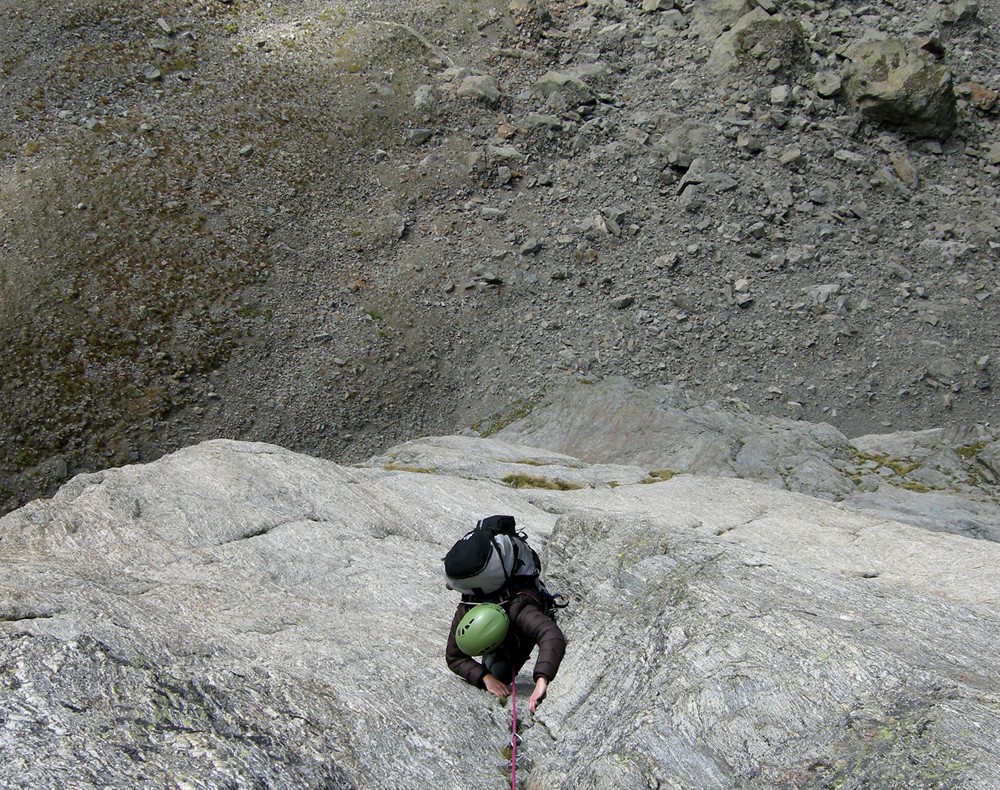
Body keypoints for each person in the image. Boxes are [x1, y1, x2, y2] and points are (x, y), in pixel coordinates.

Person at [445, 582, 566, 713]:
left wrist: (542, 680)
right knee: (499, 677)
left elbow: (551, 635)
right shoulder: (467, 610)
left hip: (521, 613)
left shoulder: (521, 609)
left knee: (503, 673)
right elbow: (454, 657)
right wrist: (485, 677)